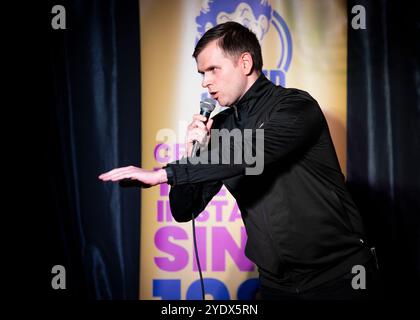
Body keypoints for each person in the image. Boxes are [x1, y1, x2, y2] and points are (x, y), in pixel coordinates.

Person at [99, 21, 379, 300]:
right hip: (276, 286)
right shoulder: (219, 127)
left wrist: (162, 174)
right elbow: (185, 209)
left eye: (213, 70)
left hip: (340, 277)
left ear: (245, 63)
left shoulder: (296, 106)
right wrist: (192, 152)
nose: (205, 81)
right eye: (201, 73)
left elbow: (253, 152)